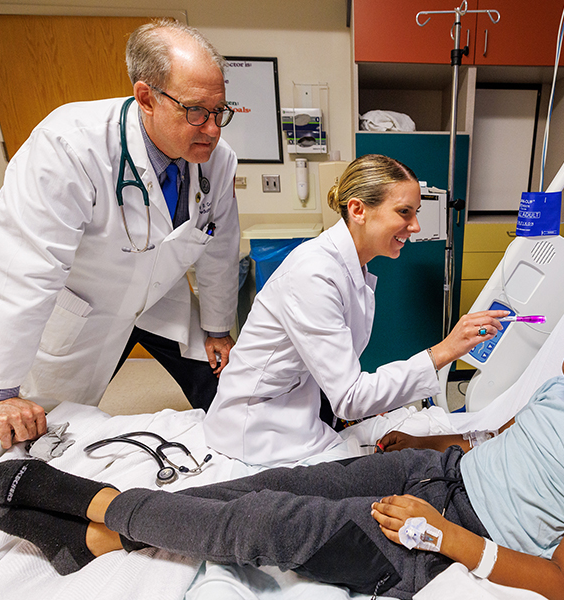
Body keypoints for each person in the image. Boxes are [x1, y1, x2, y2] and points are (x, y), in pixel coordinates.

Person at [0, 289, 564, 600]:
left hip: (455, 533)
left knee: (274, 522)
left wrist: (453, 543)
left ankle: (96, 505)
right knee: (276, 480)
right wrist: (438, 437)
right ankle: (100, 545)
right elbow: (508, 438)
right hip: (438, 468)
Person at [0, 19, 241, 448]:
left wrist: (219, 328)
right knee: (42, 436)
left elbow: (220, 248)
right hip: (83, 306)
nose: (212, 129)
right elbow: (26, 264)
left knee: (231, 391)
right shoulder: (70, 145)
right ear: (147, 97)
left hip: (159, 297)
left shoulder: (217, 160)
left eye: (219, 110)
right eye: (195, 111)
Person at [202, 153, 509, 467]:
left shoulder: (349, 268)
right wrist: (444, 351)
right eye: (404, 212)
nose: (415, 227)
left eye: (416, 213)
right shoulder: (313, 274)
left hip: (298, 411)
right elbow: (350, 398)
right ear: (358, 210)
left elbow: (341, 377)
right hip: (258, 430)